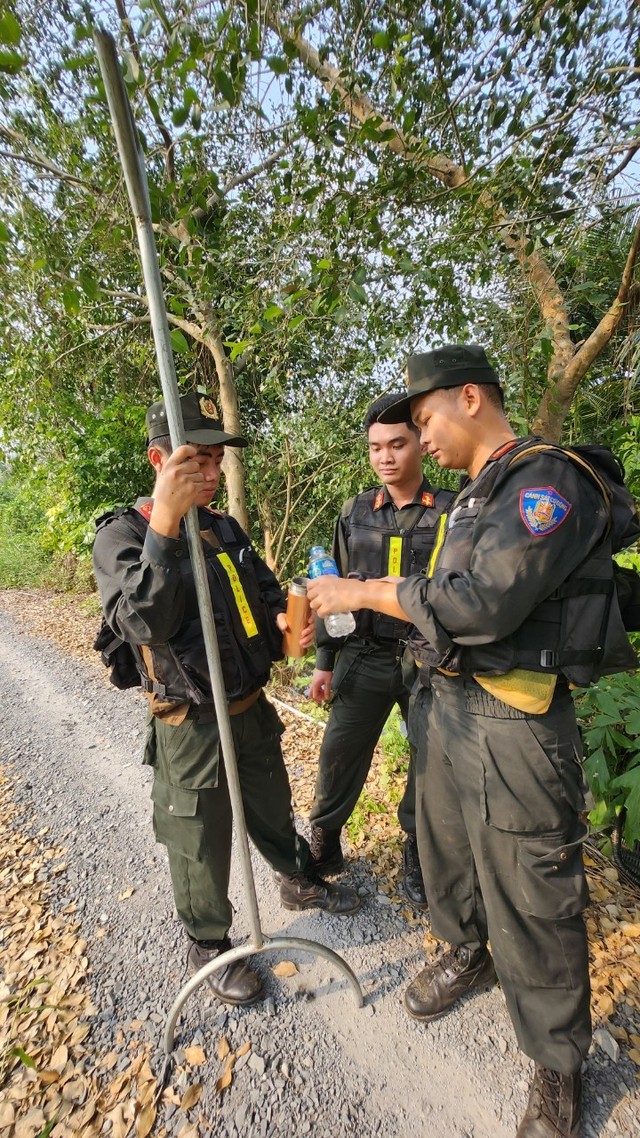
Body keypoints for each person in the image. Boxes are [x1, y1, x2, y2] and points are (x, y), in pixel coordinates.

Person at [306, 345, 637, 1138]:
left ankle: (558, 1058)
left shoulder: (546, 481)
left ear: (468, 398)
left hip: (515, 721)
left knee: (533, 883)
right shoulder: (473, 498)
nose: (420, 439)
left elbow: (480, 605)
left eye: (422, 421)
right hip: (445, 707)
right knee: (447, 850)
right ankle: (465, 949)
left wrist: (364, 590)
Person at [93, 392, 359, 1008]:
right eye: (199, 461)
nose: (213, 474)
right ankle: (209, 942)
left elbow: (262, 594)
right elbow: (141, 622)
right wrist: (165, 520)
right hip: (189, 723)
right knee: (199, 837)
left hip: (249, 707)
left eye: (218, 461)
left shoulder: (224, 527)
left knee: (270, 801)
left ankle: (293, 876)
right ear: (161, 460)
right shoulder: (123, 534)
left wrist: (284, 622)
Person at [308, 393, 454, 907]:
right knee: (339, 755)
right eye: (375, 448)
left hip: (428, 663)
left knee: (429, 764)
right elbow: (329, 592)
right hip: (363, 656)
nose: (386, 457)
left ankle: (418, 852)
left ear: (419, 441)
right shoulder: (355, 511)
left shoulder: (452, 511)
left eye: (397, 444)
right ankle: (324, 844)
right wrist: (324, 663)